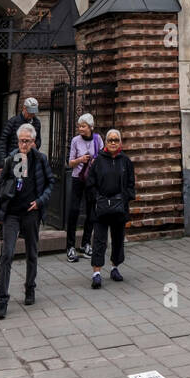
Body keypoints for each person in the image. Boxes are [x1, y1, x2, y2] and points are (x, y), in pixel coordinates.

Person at [0, 124, 53, 319]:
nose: (24, 144)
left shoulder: (40, 159)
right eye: (21, 141)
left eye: (27, 141)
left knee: (32, 252)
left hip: (31, 212)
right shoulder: (12, 160)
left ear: (33, 142)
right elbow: (1, 189)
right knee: (7, 254)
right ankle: (2, 299)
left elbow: (51, 182)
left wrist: (40, 202)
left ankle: (30, 288)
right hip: (12, 213)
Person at [85, 129, 135, 289]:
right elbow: (90, 183)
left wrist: (125, 197)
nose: (113, 142)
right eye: (110, 140)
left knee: (118, 238)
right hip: (101, 207)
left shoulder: (125, 161)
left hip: (119, 206)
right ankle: (96, 273)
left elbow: (130, 183)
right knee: (99, 239)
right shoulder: (98, 161)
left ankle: (115, 267)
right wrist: (97, 199)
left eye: (116, 140)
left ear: (120, 142)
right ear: (105, 143)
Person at [65, 114, 103, 263]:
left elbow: (102, 156)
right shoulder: (75, 140)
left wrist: (95, 161)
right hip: (77, 179)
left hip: (92, 180)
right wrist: (80, 159)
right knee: (74, 211)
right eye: (79, 126)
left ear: (90, 127)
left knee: (91, 211)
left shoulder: (97, 139)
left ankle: (86, 243)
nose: (80, 128)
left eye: (83, 126)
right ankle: (70, 246)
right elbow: (70, 163)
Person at [0, 96, 41, 169]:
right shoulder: (13, 122)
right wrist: (3, 163)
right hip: (14, 160)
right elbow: (2, 143)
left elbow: (38, 139)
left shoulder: (37, 123)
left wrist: (36, 145)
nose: (32, 114)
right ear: (24, 108)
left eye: (34, 112)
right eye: (30, 111)